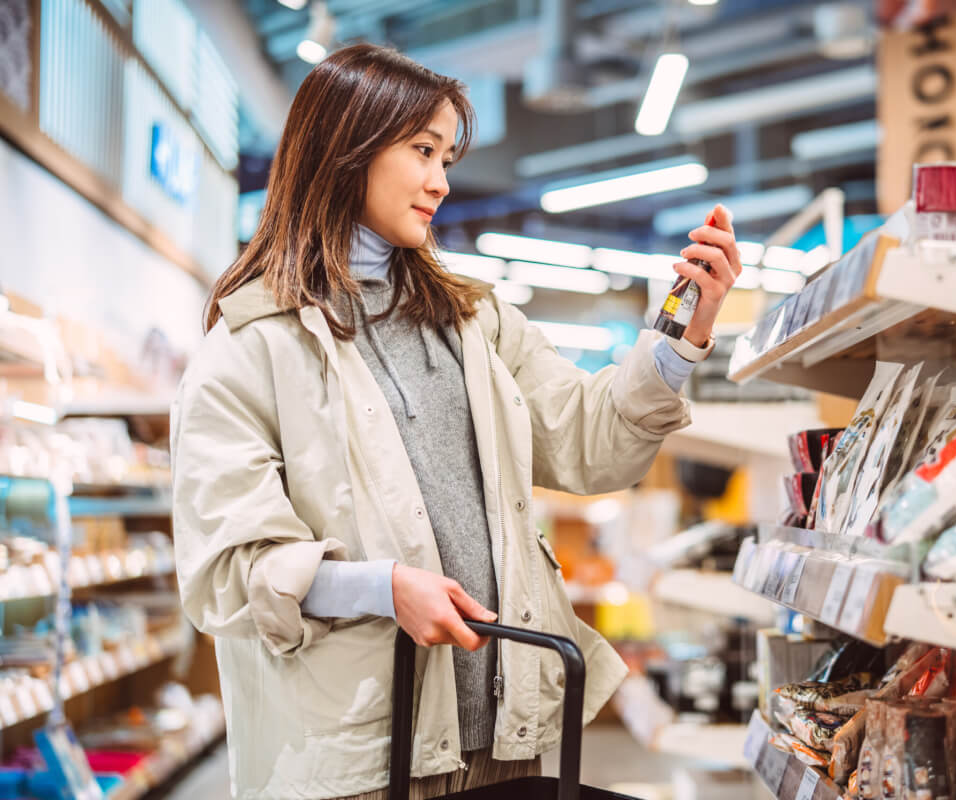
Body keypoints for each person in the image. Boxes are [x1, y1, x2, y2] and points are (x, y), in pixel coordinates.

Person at [170, 43, 743, 800]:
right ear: (349, 148)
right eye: (423, 151)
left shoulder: (472, 321)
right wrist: (384, 588)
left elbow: (589, 444)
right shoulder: (249, 347)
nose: (441, 181)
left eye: (446, 155)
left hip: (502, 728)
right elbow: (227, 574)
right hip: (357, 755)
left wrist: (680, 340)